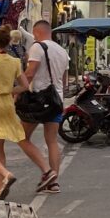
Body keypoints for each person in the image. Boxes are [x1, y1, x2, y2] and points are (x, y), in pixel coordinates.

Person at [0, 27, 50, 199]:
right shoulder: (14, 62)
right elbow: (23, 85)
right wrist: (9, 91)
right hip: (7, 104)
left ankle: (6, 174)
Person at [23, 20, 69, 195]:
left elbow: (30, 72)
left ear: (36, 32)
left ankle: (46, 171)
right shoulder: (63, 51)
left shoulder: (37, 47)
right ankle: (54, 182)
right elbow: (63, 81)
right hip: (56, 100)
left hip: (38, 101)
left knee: (22, 137)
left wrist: (18, 91)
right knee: (52, 141)